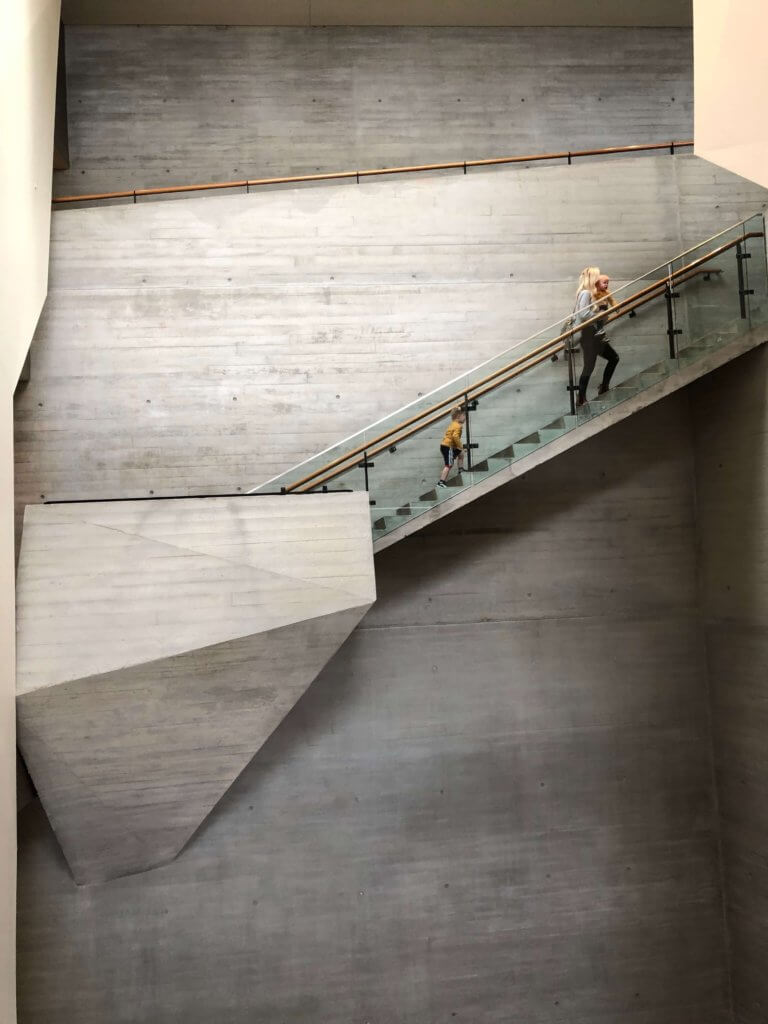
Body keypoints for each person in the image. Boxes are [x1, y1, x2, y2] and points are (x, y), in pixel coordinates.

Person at [573, 267, 619, 406]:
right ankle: (582, 397)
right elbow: (583, 314)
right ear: (593, 278)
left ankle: (602, 387)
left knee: (612, 358)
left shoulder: (591, 294)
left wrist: (602, 313)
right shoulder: (586, 293)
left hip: (594, 336)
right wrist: (599, 315)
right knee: (590, 366)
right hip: (589, 336)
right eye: (597, 276)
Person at [437, 406, 465, 487]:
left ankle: (460, 470)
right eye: (464, 416)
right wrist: (460, 446)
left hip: (447, 446)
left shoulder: (453, 424)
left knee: (461, 453)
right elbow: (455, 437)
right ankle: (441, 482)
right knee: (449, 465)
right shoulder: (458, 426)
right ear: (458, 416)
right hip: (447, 446)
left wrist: (459, 448)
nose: (465, 418)